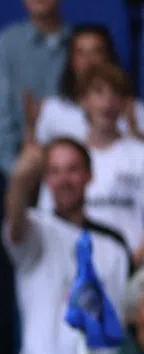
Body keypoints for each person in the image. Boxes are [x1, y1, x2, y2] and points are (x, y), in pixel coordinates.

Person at [4, 139, 128, 354]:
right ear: (45, 179)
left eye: (72, 169)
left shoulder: (114, 245)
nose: (64, 179)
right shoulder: (35, 231)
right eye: (54, 171)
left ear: (89, 175)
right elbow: (15, 218)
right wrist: (20, 178)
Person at [35, 64, 144, 263]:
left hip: (134, 265)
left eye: (115, 93)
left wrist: (129, 263)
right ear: (83, 101)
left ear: (124, 103)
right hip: (72, 264)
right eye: (98, 92)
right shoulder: (65, 158)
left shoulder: (140, 154)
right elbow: (47, 218)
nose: (108, 101)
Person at [0, 0, 70, 176]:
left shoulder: (83, 44)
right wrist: (16, 170)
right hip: (22, 167)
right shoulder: (6, 44)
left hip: (78, 170)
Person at [33, 25, 144, 146]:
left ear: (109, 57)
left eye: (96, 52)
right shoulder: (53, 109)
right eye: (81, 53)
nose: (89, 61)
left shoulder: (135, 110)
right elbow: (40, 156)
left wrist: (133, 131)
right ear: (71, 61)